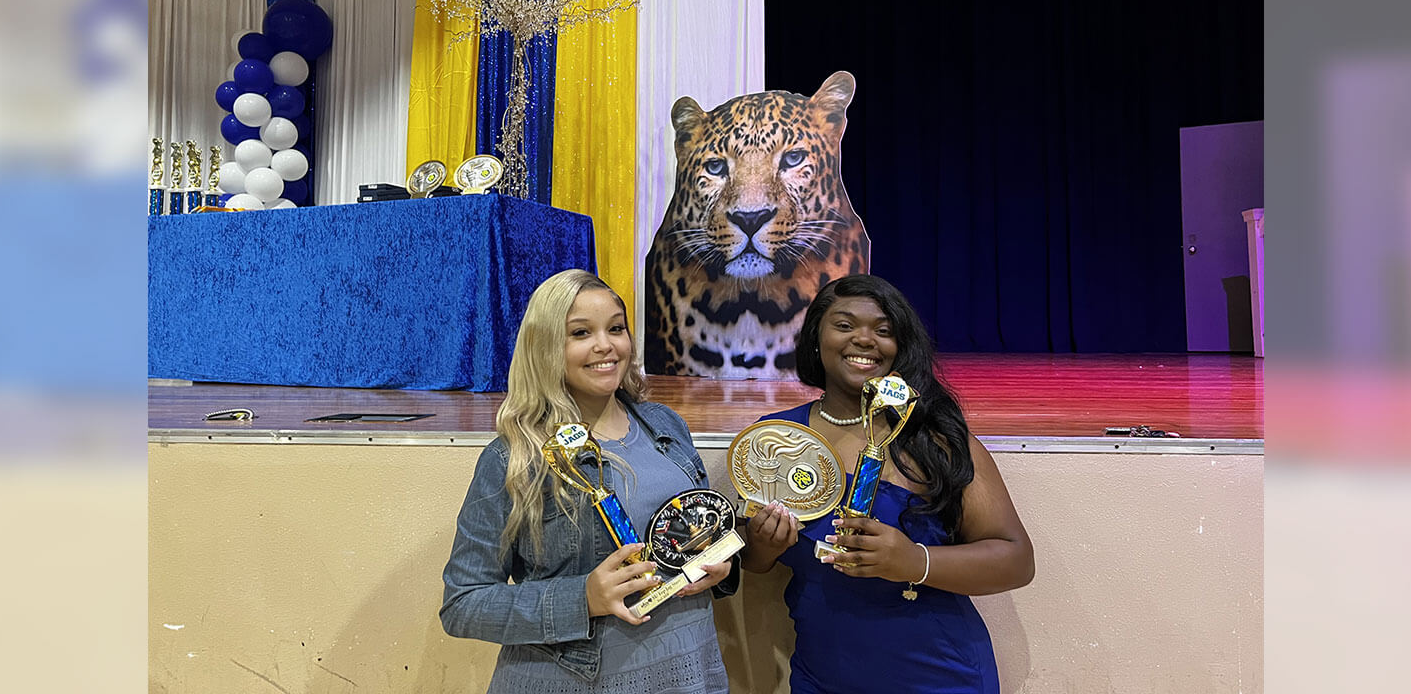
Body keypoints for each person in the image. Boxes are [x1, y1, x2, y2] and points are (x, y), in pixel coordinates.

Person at [441, 269, 734, 693]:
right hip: (579, 680)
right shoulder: (515, 457)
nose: (605, 345)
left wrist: (721, 565)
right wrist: (582, 599)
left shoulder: (666, 426)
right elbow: (463, 604)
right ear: (544, 347)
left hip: (690, 670)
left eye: (616, 328)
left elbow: (699, 533)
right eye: (580, 333)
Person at [741, 274, 1034, 694]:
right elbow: (751, 559)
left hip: (940, 677)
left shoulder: (937, 441)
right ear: (815, 338)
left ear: (901, 346)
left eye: (884, 330)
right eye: (844, 326)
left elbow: (1016, 559)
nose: (865, 340)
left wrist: (914, 562)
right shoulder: (774, 440)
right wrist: (763, 546)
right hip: (822, 678)